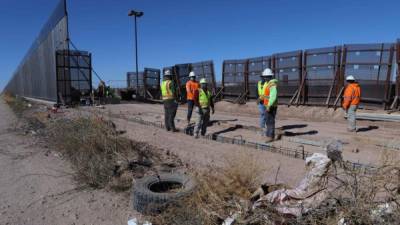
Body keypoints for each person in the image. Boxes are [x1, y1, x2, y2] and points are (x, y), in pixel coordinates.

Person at [262, 68, 278, 142]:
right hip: (267, 105)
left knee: (270, 121)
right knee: (267, 121)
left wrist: (269, 105)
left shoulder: (272, 84)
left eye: (266, 77)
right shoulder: (268, 83)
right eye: (264, 77)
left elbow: (273, 96)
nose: (264, 78)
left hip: (271, 106)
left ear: (269, 76)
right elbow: (268, 95)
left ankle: (271, 136)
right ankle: (268, 135)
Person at [256, 69, 271, 134]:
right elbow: (256, 91)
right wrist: (258, 98)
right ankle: (262, 127)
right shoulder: (259, 83)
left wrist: (264, 97)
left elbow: (269, 92)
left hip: (266, 101)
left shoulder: (268, 83)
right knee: (262, 114)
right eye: (262, 76)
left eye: (264, 76)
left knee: (267, 114)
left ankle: (267, 127)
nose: (263, 78)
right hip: (260, 101)